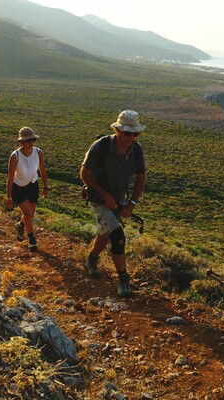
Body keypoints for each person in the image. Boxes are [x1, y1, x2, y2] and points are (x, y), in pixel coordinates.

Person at [80, 110, 147, 297]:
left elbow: (141, 178)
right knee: (117, 235)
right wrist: (104, 195)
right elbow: (84, 174)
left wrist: (131, 203)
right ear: (117, 130)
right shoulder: (101, 146)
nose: (131, 137)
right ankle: (123, 279)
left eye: (135, 134)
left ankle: (92, 259)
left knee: (105, 231)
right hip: (97, 198)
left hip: (119, 200)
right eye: (127, 133)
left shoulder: (136, 150)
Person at [6, 126, 49, 251]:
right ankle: (31, 238)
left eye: (33, 140)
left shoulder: (38, 152)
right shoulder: (15, 156)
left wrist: (46, 187)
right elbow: (10, 177)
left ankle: (20, 225)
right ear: (21, 142)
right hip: (18, 188)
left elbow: (42, 170)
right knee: (28, 214)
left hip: (33, 185)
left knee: (30, 213)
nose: (31, 143)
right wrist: (8, 196)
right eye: (28, 140)